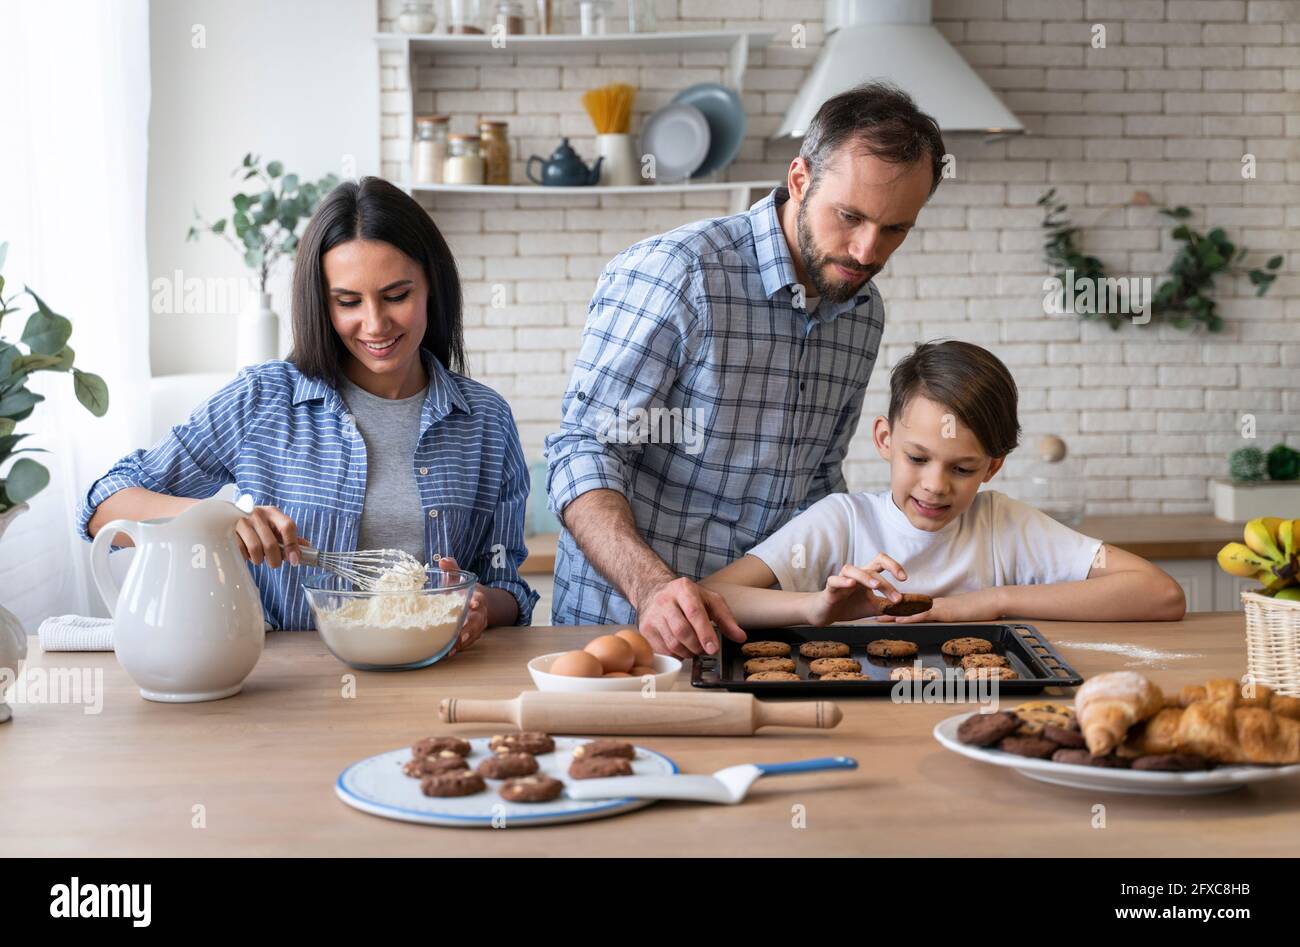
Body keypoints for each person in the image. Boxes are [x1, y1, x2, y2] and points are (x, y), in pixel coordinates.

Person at [546, 81, 944, 657]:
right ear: (800, 180)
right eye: (850, 217)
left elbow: (819, 480)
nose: (866, 251)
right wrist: (652, 586)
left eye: (895, 229)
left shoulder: (862, 309)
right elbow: (584, 450)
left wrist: (843, 586)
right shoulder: (679, 274)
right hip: (627, 629)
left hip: (763, 635)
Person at [79, 177, 538, 647]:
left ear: (432, 289)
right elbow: (102, 507)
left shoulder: (484, 419)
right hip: (287, 690)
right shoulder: (262, 400)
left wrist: (480, 605)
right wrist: (215, 518)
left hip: (432, 676)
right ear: (321, 303)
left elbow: (506, 583)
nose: (375, 324)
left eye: (397, 296)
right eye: (348, 302)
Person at [701, 341, 1187, 625]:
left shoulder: (1002, 523)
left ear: (992, 468)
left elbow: (1161, 594)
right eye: (918, 458)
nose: (935, 486)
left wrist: (989, 602)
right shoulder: (842, 521)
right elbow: (713, 597)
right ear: (885, 439)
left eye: (962, 469)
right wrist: (816, 606)